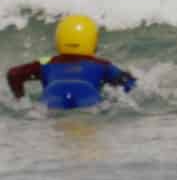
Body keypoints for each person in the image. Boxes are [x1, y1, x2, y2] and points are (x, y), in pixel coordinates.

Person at [7, 14, 138, 111]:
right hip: (88, 97)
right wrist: (115, 98)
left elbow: (13, 74)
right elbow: (129, 83)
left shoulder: (46, 62)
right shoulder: (102, 64)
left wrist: (21, 100)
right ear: (92, 41)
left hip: (52, 97)